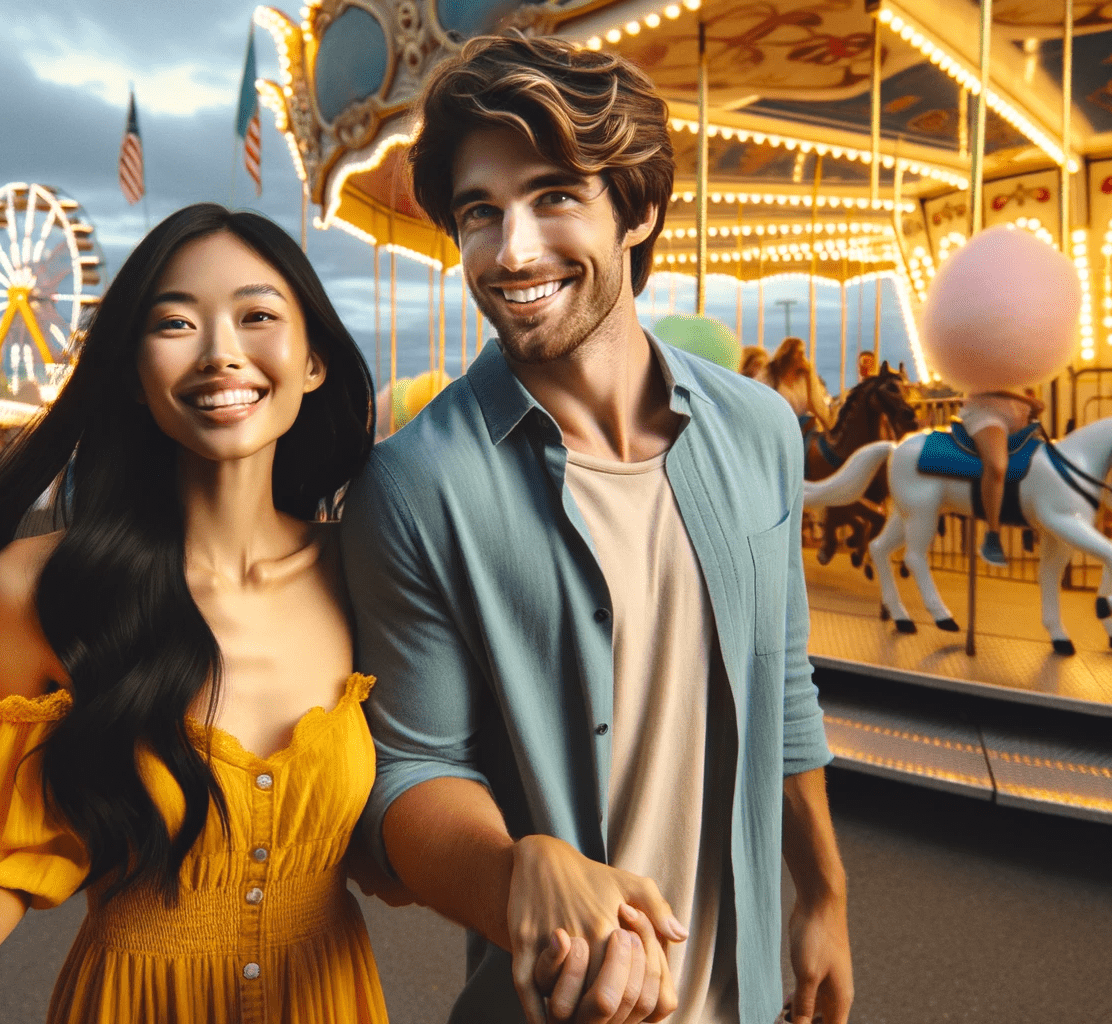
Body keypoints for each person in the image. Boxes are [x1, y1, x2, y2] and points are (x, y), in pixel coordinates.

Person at [342, 35, 851, 1024]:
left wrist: (823, 892)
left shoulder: (757, 429)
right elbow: (412, 767)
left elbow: (781, 677)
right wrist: (518, 868)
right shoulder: (416, 483)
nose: (512, 250)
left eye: (554, 196)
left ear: (640, 209)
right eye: (479, 213)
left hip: (741, 991)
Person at [0, 204, 389, 1020]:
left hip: (328, 998)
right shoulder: (34, 589)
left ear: (315, 359)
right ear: (136, 379)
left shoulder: (368, 571)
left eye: (257, 316)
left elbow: (420, 796)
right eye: (175, 323)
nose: (221, 353)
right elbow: (24, 842)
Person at [960, 389, 1045, 566]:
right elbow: (986, 383)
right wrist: (1024, 399)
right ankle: (992, 535)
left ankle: (1032, 522)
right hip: (986, 413)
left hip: (1016, 413)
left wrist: (1028, 399)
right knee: (997, 465)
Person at [763, 335, 837, 432]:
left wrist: (809, 376)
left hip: (801, 423)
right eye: (798, 353)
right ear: (788, 354)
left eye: (803, 353)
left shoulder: (805, 377)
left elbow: (818, 404)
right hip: (776, 423)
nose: (802, 356)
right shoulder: (770, 374)